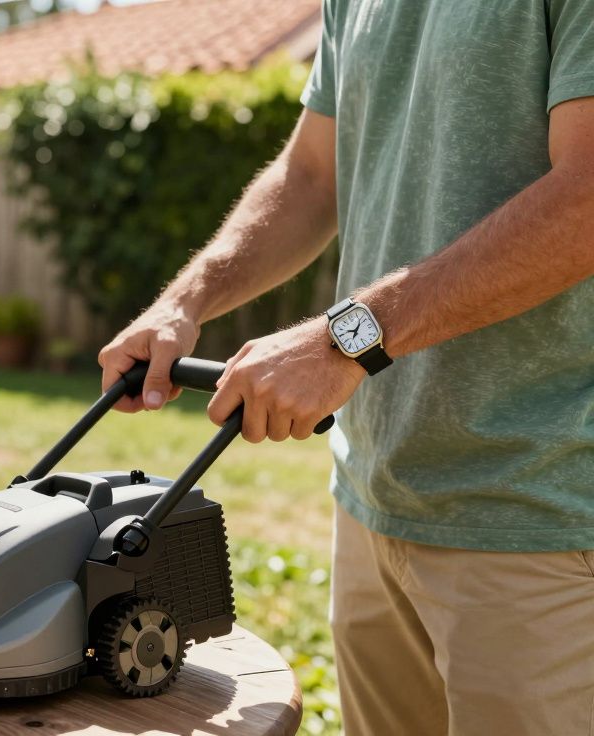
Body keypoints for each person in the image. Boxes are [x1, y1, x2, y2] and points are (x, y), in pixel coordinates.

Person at [98, 3, 594, 734]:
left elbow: (585, 199)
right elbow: (310, 175)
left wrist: (344, 341)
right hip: (372, 499)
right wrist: (186, 300)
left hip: (538, 513)